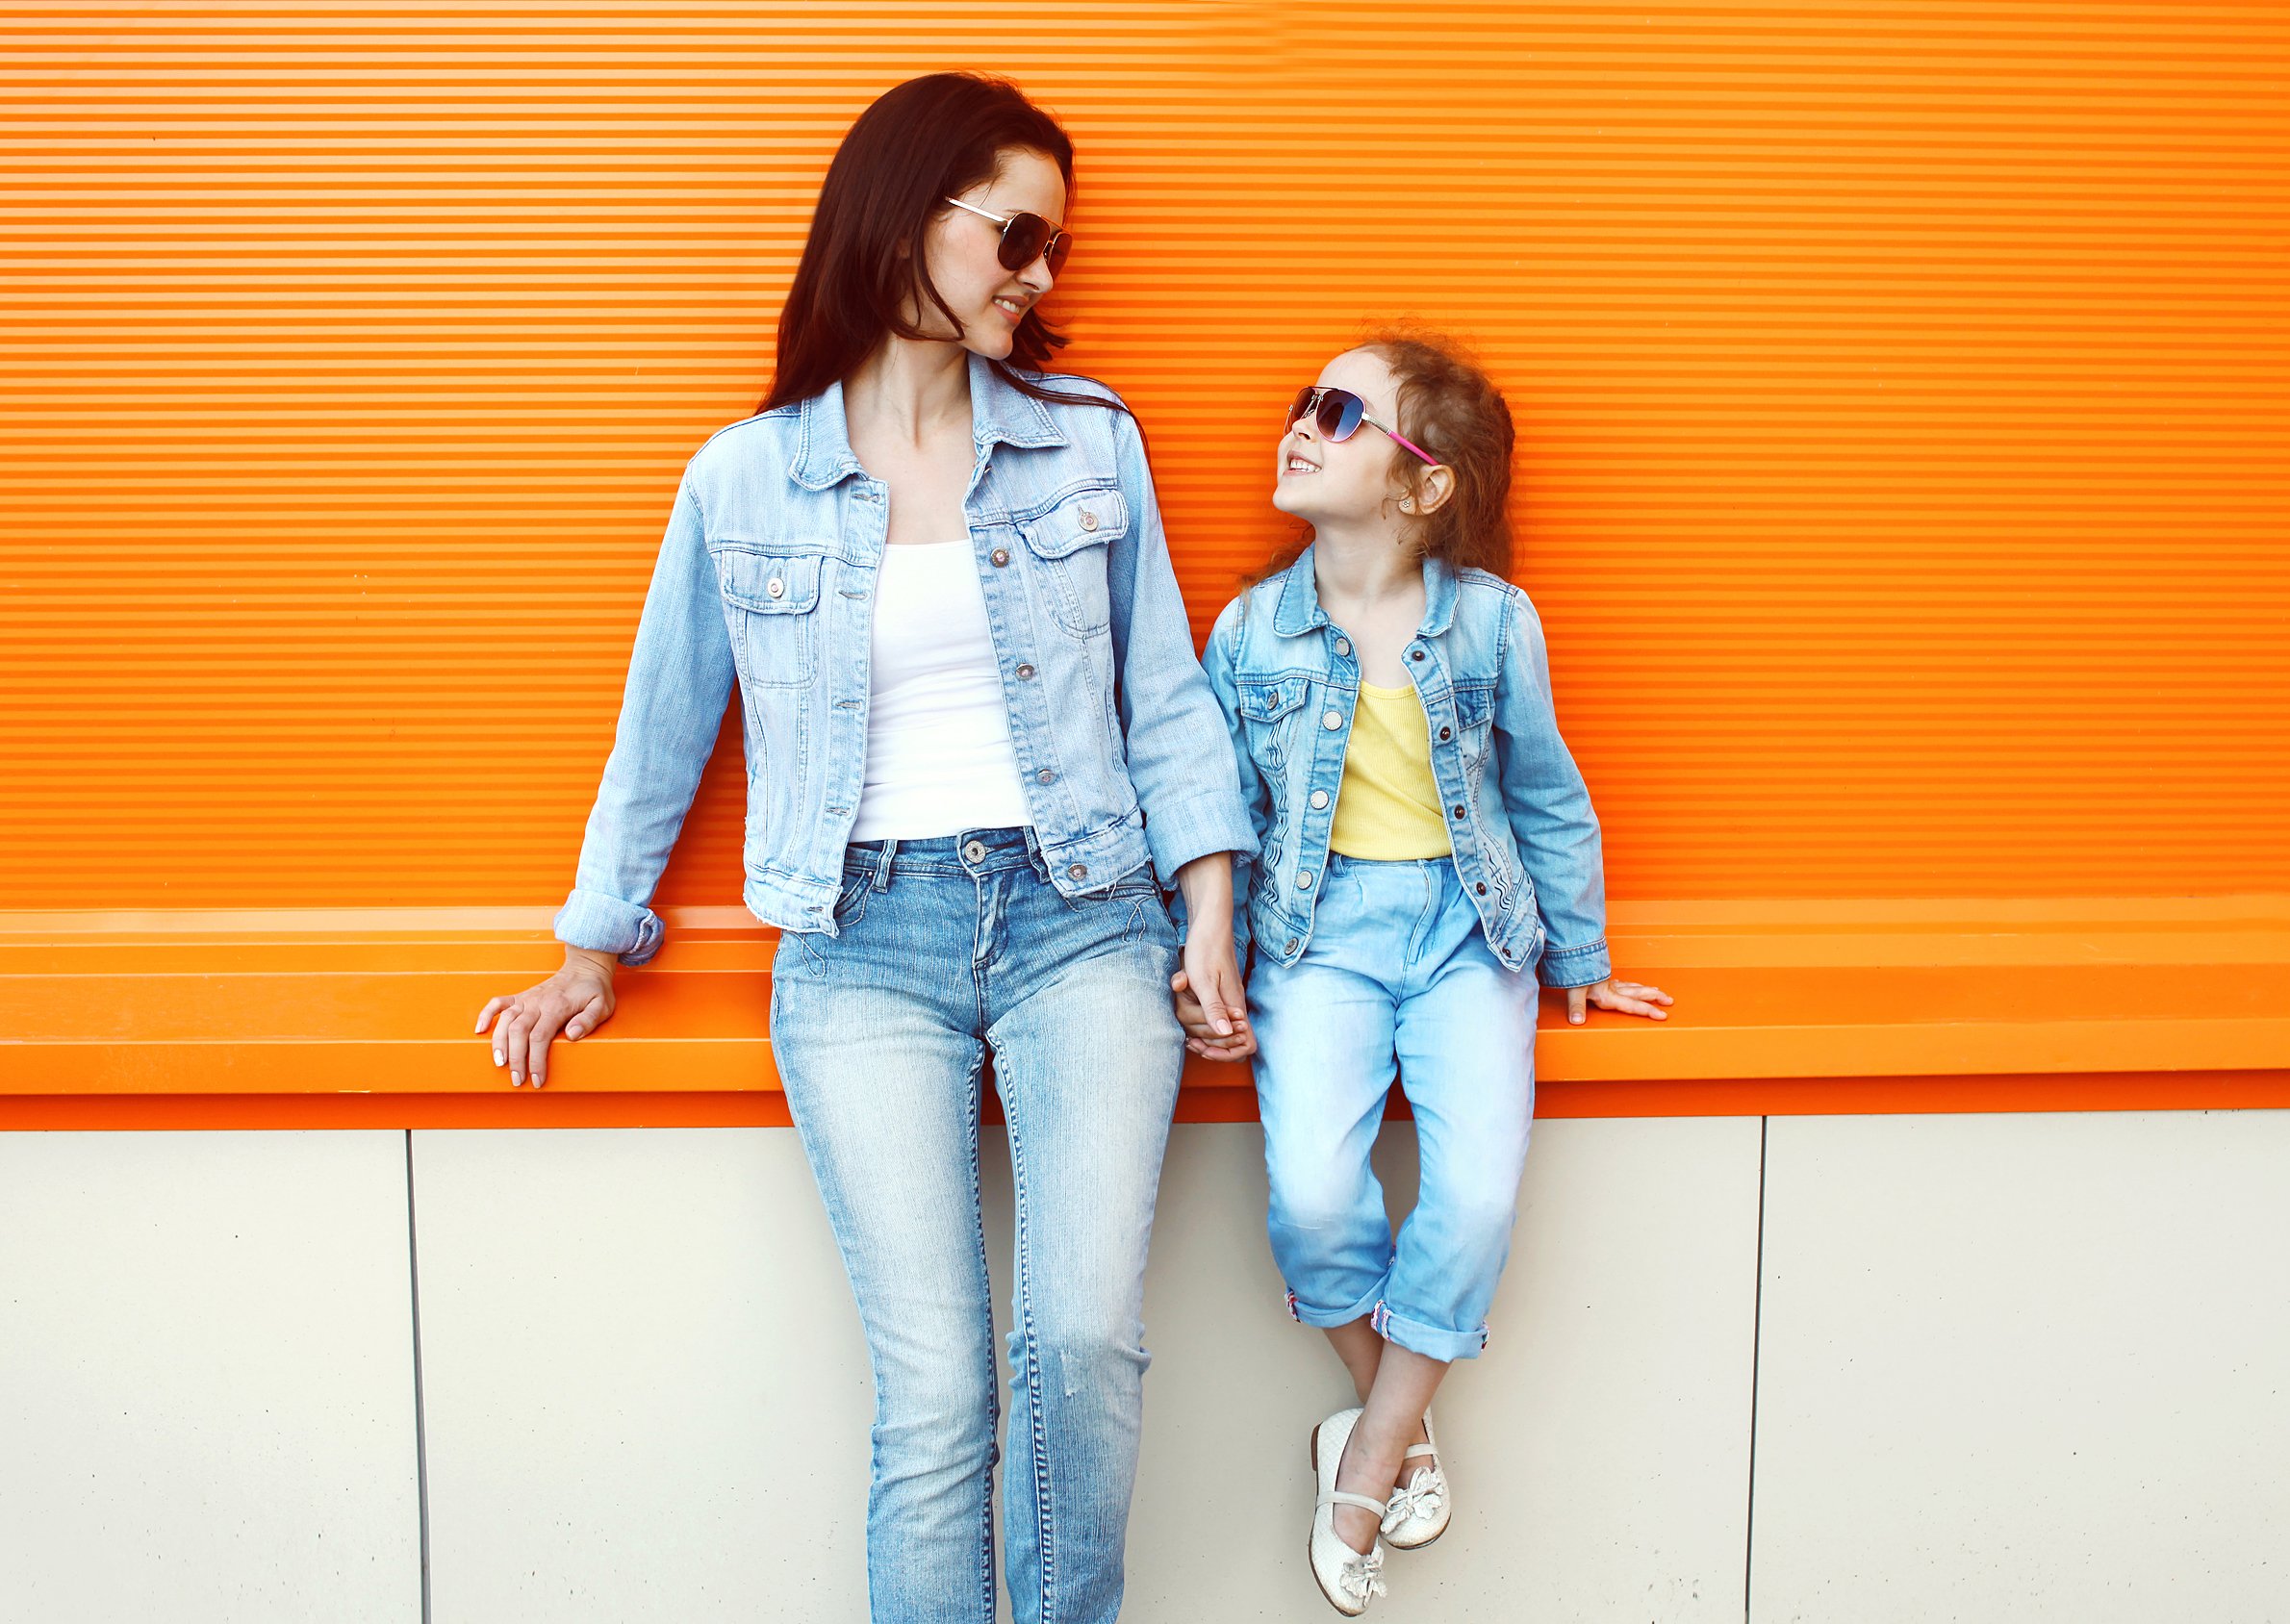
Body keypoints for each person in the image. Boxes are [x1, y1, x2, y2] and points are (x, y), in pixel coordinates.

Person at [474, 72, 1254, 1624]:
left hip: (1081, 918)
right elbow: (663, 726)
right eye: (1018, 238)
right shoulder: (743, 476)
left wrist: (1208, 909)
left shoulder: (1089, 444)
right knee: (937, 1387)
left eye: (1055, 256)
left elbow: (1162, 695)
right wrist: (589, 946)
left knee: (1083, 1342)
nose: (1039, 279)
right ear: (909, 213)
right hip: (860, 943)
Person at [1185, 330, 1671, 1613]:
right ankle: (1393, 1423)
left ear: (1423, 482)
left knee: (1470, 1204)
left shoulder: (1494, 622)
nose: (1301, 422)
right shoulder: (1249, 632)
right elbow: (1211, 809)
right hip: (1317, 938)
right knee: (1313, 1198)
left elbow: (1548, 795)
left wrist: (1583, 954)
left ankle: (1365, 1466)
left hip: (1470, 939)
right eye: (1303, 400)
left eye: (1340, 412)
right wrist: (1204, 960)